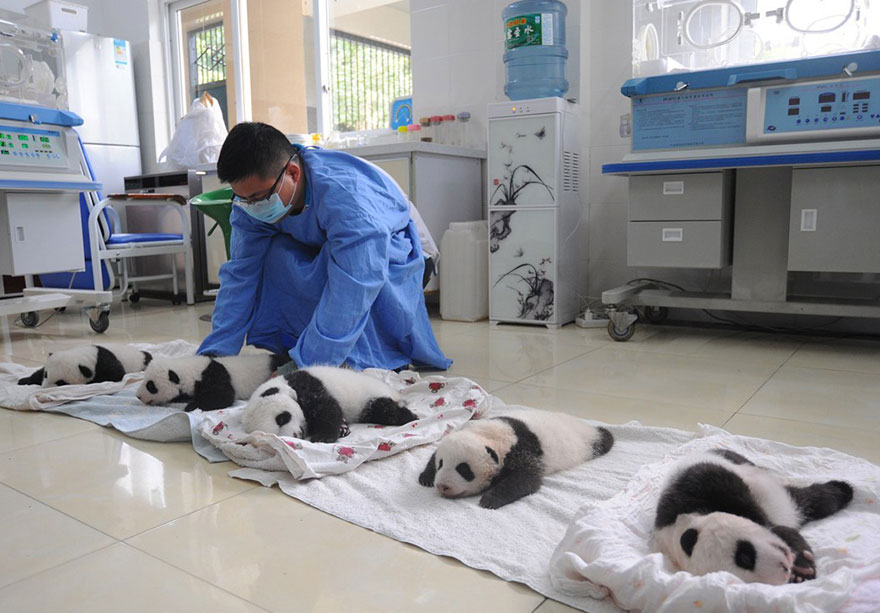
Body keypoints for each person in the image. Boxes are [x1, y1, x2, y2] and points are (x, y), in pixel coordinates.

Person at [197, 122, 451, 371]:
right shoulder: (249, 204)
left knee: (339, 267)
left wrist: (308, 366)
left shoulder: (347, 199)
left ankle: (360, 357)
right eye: (244, 199)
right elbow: (241, 274)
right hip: (336, 252)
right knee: (273, 256)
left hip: (403, 255)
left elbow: (355, 283)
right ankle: (307, 346)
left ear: (293, 173)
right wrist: (215, 357)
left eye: (259, 198)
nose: (253, 207)